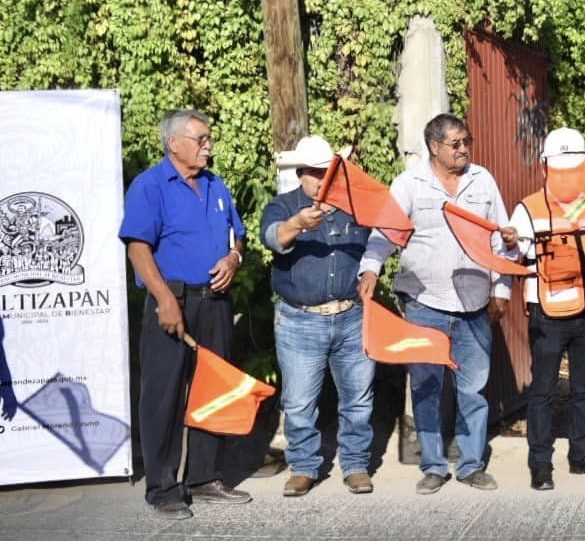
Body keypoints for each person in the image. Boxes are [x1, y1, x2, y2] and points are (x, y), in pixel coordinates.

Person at [358, 113, 509, 494]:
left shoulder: (483, 180)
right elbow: (385, 232)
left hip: (474, 302)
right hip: (425, 303)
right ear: (434, 147)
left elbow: (500, 239)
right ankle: (434, 465)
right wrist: (371, 269)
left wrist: (502, 290)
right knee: (426, 387)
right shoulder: (410, 183)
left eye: (466, 142)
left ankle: (472, 465)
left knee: (473, 389)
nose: (464, 150)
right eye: (456, 144)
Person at [119, 109, 251, 519]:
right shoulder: (150, 186)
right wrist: (164, 298)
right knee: (165, 394)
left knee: (213, 388)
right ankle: (163, 486)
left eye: (209, 138)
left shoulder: (216, 185)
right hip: (172, 299)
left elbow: (239, 238)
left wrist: (233, 258)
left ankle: (205, 476)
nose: (208, 145)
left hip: (215, 300)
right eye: (201, 138)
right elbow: (137, 247)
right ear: (174, 143)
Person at [507, 128, 585, 491]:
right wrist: (510, 241)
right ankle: (540, 463)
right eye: (561, 170)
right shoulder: (528, 209)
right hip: (548, 313)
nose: (568, 177)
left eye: (575, 169)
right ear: (545, 168)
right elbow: (512, 257)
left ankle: (581, 454)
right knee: (542, 391)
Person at [261, 135, 375, 497]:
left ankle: (356, 464)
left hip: (351, 314)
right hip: (299, 319)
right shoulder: (282, 206)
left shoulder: (354, 207)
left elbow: (377, 242)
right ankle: (304, 466)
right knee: (298, 401)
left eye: (327, 172)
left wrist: (372, 270)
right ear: (300, 173)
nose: (321, 180)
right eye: (314, 173)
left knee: (358, 397)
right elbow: (272, 238)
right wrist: (297, 223)